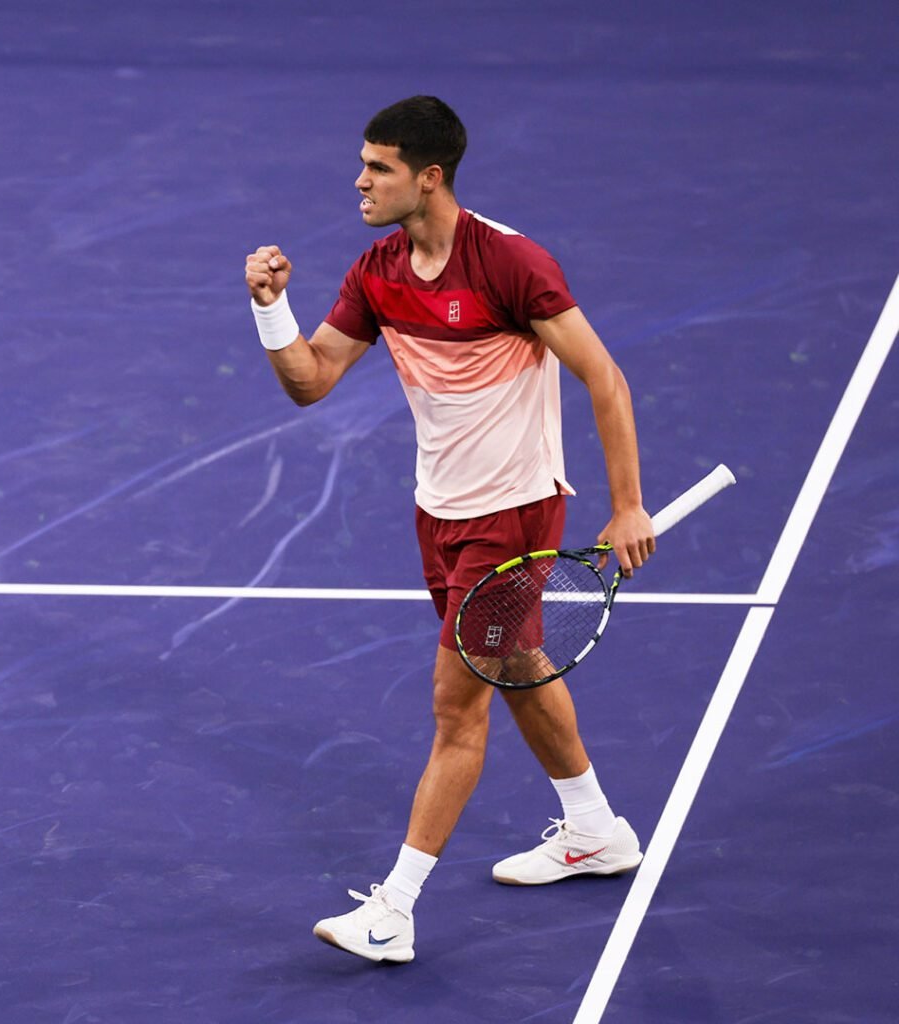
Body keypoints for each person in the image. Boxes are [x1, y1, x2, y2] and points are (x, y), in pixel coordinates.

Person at [244, 96, 655, 965]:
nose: (359, 180)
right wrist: (272, 309)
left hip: (511, 514)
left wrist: (626, 505)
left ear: (428, 177)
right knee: (513, 663)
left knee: (455, 707)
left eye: (379, 167)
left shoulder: (510, 264)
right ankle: (594, 829)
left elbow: (605, 378)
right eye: (363, 163)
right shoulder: (378, 270)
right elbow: (311, 381)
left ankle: (394, 910)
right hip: (440, 509)